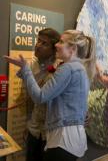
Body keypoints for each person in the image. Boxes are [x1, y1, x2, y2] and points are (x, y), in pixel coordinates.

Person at [4, 30, 96, 161]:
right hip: (49, 133)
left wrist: (25, 70)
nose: (38, 45)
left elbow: (40, 97)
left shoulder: (66, 68)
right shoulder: (79, 68)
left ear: (73, 49)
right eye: (38, 41)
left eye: (61, 42)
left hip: (60, 138)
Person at [24, 28, 60, 161]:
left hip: (51, 132)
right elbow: (28, 98)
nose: (38, 45)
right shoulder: (31, 65)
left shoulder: (61, 68)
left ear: (54, 49)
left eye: (44, 43)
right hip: (34, 128)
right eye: (38, 40)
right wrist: (27, 124)